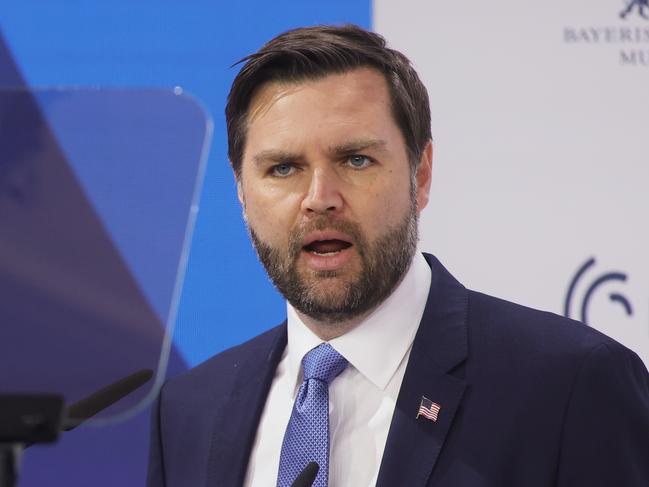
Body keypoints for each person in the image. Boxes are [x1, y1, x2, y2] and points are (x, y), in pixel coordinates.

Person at [147, 25, 649, 487]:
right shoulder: (189, 412)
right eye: (283, 168)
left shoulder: (570, 386)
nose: (319, 196)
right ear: (240, 189)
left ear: (421, 173)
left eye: (356, 159)